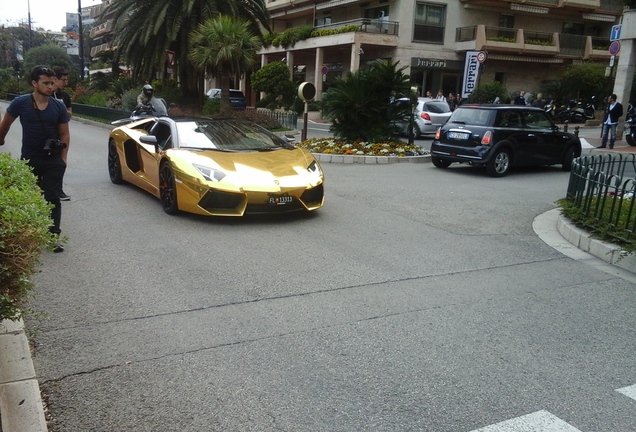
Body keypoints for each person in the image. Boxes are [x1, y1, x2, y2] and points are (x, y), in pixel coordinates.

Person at [0, 65, 70, 252]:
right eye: (45, 83)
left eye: (52, 83)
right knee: (31, 198)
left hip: (53, 160)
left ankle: (53, 236)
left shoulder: (58, 106)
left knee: (52, 197)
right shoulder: (20, 103)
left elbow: (64, 134)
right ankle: (32, 233)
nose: (50, 87)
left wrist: (63, 159)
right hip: (30, 158)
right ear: (34, 83)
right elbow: (5, 124)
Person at [52, 66, 72, 201]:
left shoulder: (64, 96)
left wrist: (61, 110)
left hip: (61, 133)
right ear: (56, 79)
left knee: (60, 162)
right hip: (47, 132)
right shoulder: (47, 94)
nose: (65, 83)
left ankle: (58, 190)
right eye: (63, 80)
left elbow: (70, 114)